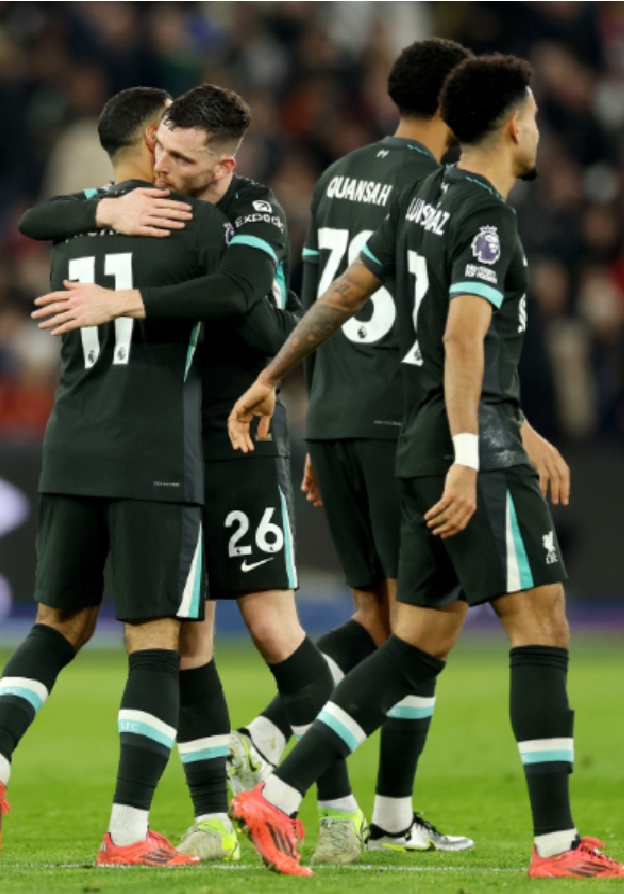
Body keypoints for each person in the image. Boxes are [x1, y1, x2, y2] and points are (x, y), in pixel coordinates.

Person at [225, 55, 624, 880]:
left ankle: (276, 793)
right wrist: (473, 457)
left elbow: (344, 291)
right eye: (533, 116)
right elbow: (463, 339)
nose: (538, 129)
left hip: (417, 442)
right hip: (469, 448)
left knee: (416, 642)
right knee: (543, 625)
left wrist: (274, 374)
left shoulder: (420, 197)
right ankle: (559, 849)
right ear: (513, 125)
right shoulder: (489, 220)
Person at [26, 84, 364, 865]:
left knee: (275, 627)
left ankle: (336, 808)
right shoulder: (150, 205)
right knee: (187, 643)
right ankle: (213, 819)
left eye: (181, 158)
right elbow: (40, 218)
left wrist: (127, 301)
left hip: (241, 438)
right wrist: (103, 213)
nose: (163, 167)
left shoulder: (251, 211)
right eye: (161, 150)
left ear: (223, 163)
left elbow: (242, 297)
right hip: (168, 448)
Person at [0, 85, 233, 869]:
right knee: (156, 640)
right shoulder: (193, 222)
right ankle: (127, 831)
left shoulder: (74, 232)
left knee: (59, 625)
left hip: (70, 448)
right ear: (154, 140)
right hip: (153, 460)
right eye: (175, 130)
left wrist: (100, 211)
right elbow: (243, 300)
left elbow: (36, 217)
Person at [229, 38, 478, 856]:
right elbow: (437, 318)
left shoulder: (338, 175)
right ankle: (381, 811)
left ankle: (270, 736)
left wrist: (315, 414)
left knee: (375, 617)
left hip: (333, 414)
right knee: (419, 628)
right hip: (401, 418)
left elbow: (322, 298)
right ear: (454, 106)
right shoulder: (442, 187)